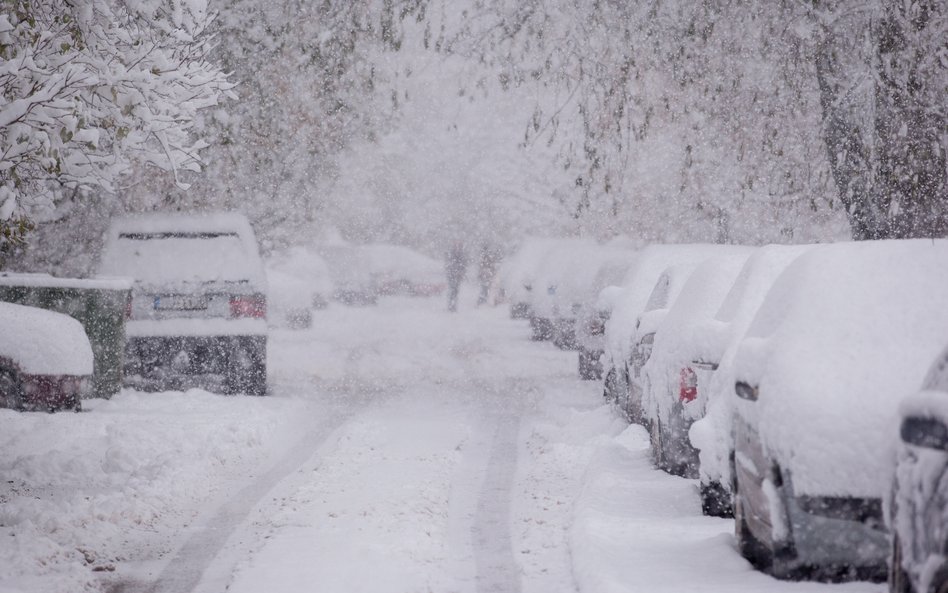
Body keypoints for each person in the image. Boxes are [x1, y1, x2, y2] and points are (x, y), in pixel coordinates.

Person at [445, 241, 468, 312]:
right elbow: (448, 264)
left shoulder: (461, 255)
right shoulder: (451, 254)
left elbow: (464, 265)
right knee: (452, 290)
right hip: (451, 275)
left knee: (455, 291)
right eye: (456, 245)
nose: (457, 247)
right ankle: (451, 305)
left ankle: (453, 305)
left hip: (457, 276)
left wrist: (461, 272)